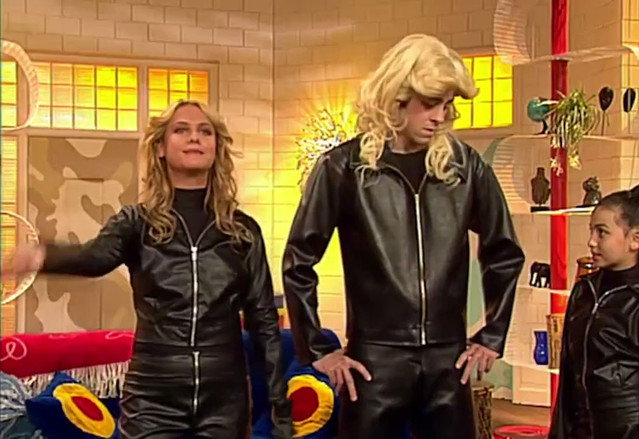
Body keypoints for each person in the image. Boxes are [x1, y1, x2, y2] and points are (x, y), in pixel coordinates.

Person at [282, 34, 525, 439]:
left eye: (447, 105)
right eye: (430, 103)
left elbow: (504, 251)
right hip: (375, 359)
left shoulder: (465, 167)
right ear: (397, 98)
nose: (440, 117)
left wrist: (492, 335)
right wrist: (318, 349)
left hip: (449, 359)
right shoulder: (344, 168)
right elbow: (299, 260)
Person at [5, 100, 292, 438]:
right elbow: (94, 258)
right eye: (181, 130)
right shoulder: (136, 222)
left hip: (224, 400)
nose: (195, 138)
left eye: (205, 132)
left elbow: (263, 321)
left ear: (217, 148)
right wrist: (42, 256)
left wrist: (280, 409)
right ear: (160, 148)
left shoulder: (242, 231)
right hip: (153, 396)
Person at [549, 177, 639, 439]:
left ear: (635, 239)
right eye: (591, 231)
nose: (592, 242)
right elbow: (567, 381)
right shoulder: (583, 292)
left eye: (601, 232)